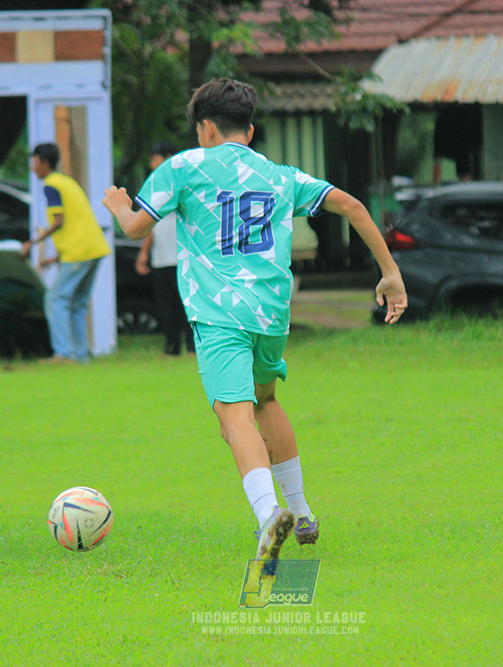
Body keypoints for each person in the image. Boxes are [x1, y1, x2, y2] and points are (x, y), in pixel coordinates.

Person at [101, 78, 407, 561]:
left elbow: (137, 225)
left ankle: (269, 517)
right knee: (265, 402)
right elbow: (350, 205)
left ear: (204, 127)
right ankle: (302, 510)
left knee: (233, 416)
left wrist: (120, 204)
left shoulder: (183, 166)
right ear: (250, 128)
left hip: (220, 311)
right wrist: (390, 272)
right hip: (271, 315)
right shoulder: (281, 175)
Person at [22, 143, 112, 363]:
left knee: (55, 299)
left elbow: (59, 221)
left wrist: (32, 242)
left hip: (79, 252)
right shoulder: (67, 182)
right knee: (78, 303)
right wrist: (54, 258)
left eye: (34, 162)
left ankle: (63, 353)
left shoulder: (51, 185)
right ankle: (82, 357)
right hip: (94, 248)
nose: (33, 168)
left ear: (44, 163)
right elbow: (76, 224)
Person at [134, 140, 195, 356]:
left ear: (167, 157)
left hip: (181, 255)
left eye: (155, 158)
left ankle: (192, 346)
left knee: (185, 305)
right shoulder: (153, 184)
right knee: (165, 306)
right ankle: (171, 347)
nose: (152, 163)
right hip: (161, 257)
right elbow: (148, 222)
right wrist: (144, 252)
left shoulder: (181, 181)